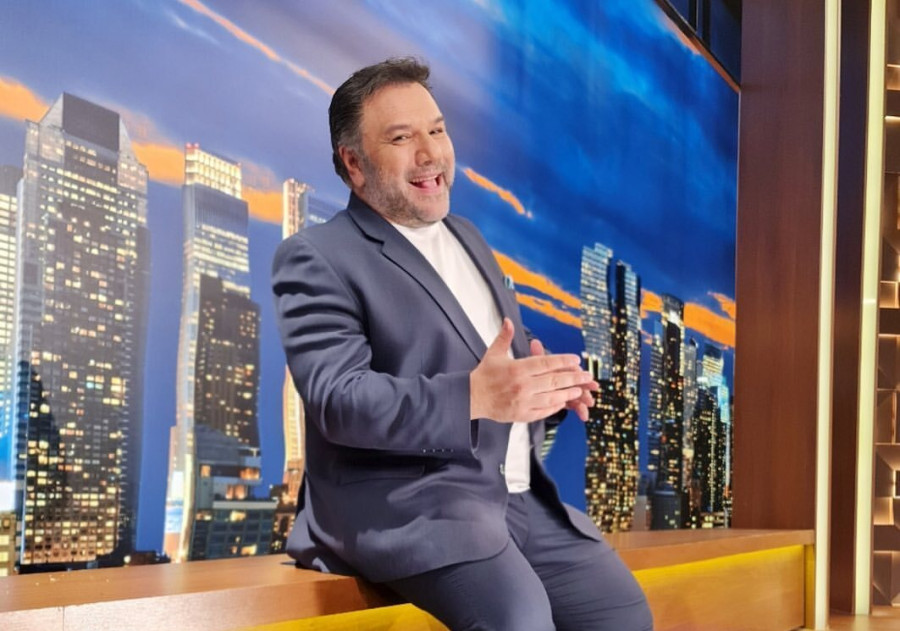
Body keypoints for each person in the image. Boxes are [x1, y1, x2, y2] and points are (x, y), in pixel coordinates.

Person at [272, 57, 653, 631]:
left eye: (437, 130)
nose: (430, 153)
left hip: (515, 499)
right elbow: (339, 400)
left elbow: (495, 352)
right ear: (353, 163)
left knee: (621, 613)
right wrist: (476, 397)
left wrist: (543, 385)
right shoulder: (317, 256)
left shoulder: (467, 235)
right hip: (413, 509)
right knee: (519, 621)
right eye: (402, 138)